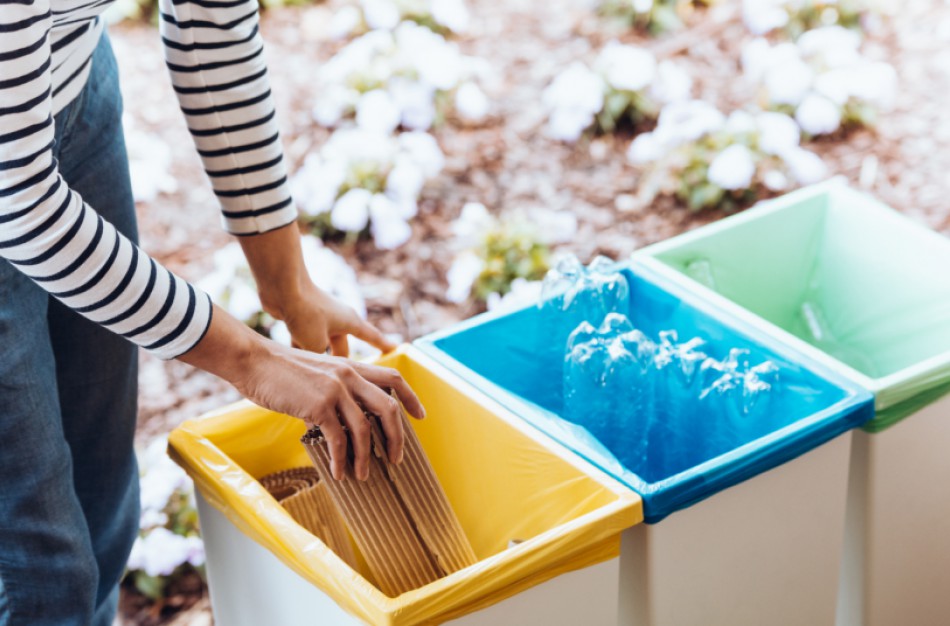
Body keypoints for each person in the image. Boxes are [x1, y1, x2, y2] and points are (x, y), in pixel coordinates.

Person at [0, 0, 426, 624]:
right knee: (42, 566)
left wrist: (287, 284)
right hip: (16, 178)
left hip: (71, 83)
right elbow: (22, 205)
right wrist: (254, 360)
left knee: (102, 506)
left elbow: (211, 26)